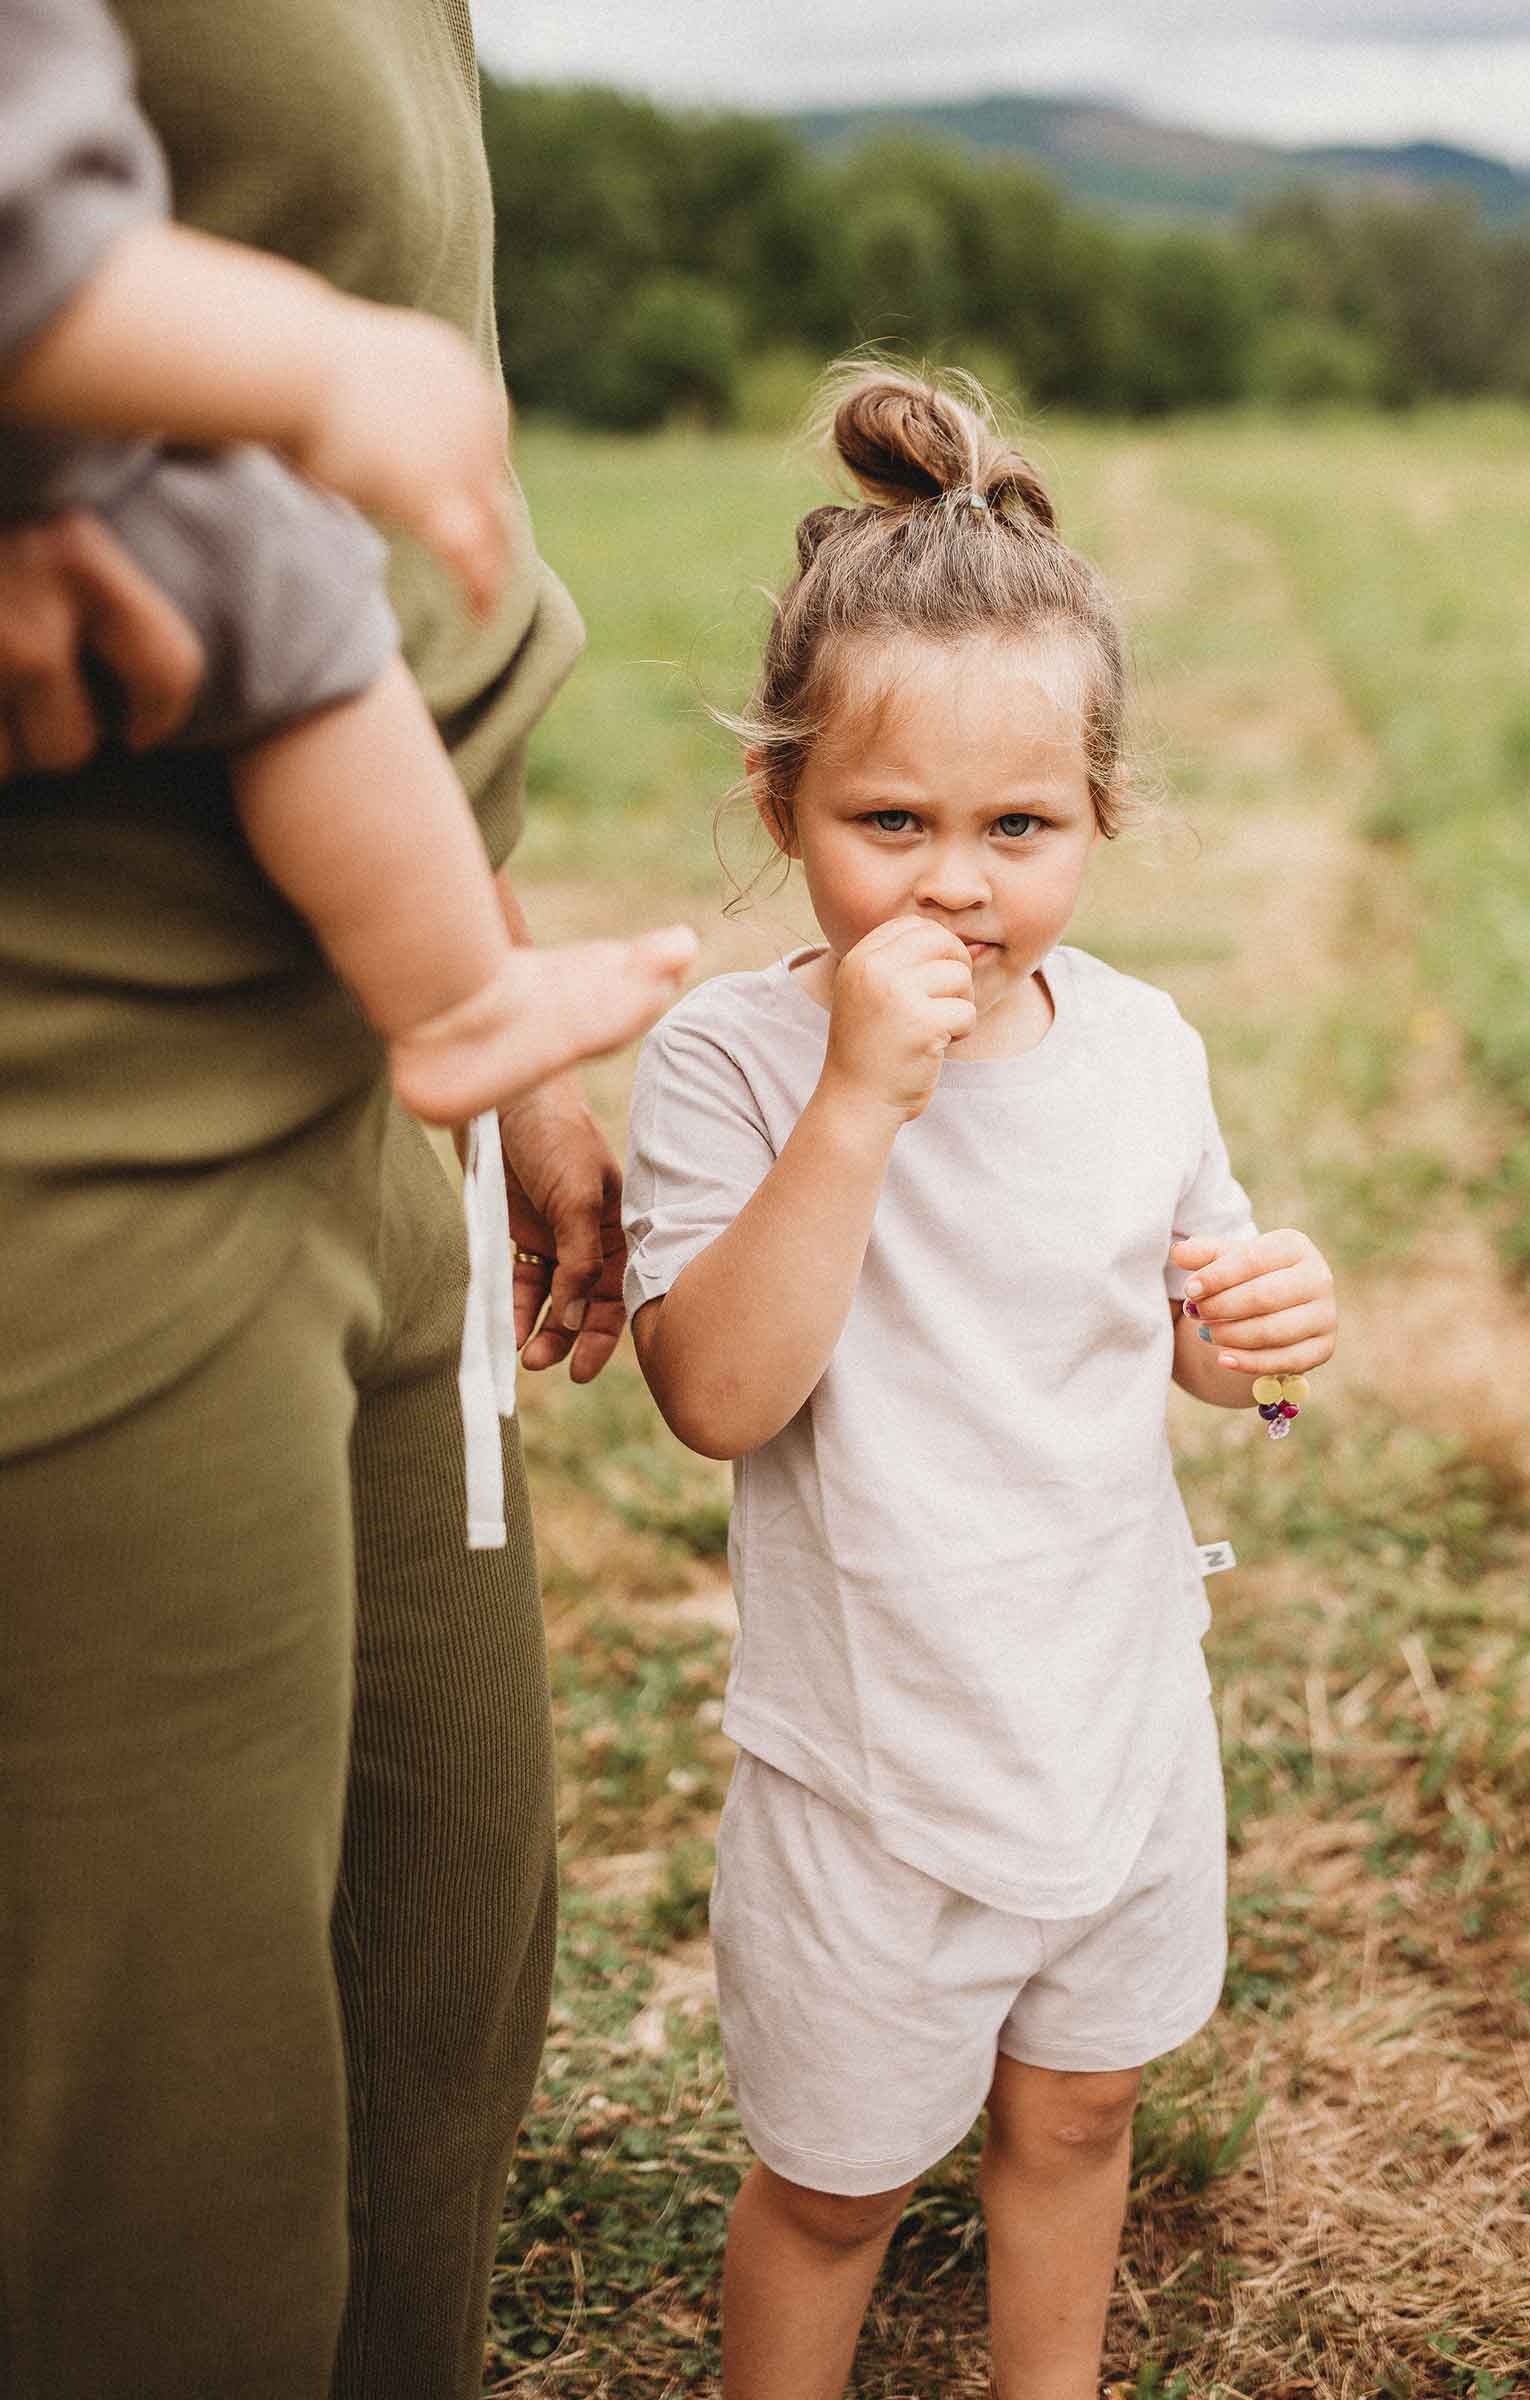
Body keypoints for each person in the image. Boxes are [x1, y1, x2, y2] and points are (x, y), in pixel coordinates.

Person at [0, 3, 650, 2393]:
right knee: (144, 2218)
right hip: (69, 1061)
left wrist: (471, 973)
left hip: (383, 1018)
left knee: (424, 2033)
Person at [620, 369, 1338, 2400]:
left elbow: (1193, 1342)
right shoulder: (734, 1071)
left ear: (1098, 817)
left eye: (1018, 827)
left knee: (1079, 2120)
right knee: (837, 2191)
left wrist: (1254, 1345)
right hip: (875, 1778)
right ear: (783, 812)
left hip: (1110, 1728)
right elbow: (718, 1397)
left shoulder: (1145, 1052)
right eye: (889, 825)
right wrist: (859, 1097)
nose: (956, 883)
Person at [0, 0, 696, 1126]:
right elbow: (26, 222)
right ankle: (459, 1004)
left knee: (291, 582)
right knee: (281, 585)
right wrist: (322, 371)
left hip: (360, 1098)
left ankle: (464, 997)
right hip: (115, 1025)